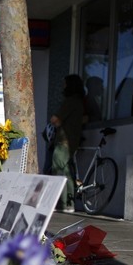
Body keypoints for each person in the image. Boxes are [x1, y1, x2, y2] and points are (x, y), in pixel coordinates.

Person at [50, 74, 86, 213]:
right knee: (65, 171)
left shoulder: (70, 101)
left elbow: (55, 119)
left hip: (64, 141)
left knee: (60, 170)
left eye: (65, 84)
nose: (63, 87)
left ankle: (65, 204)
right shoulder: (80, 102)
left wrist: (56, 121)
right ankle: (68, 203)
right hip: (73, 140)